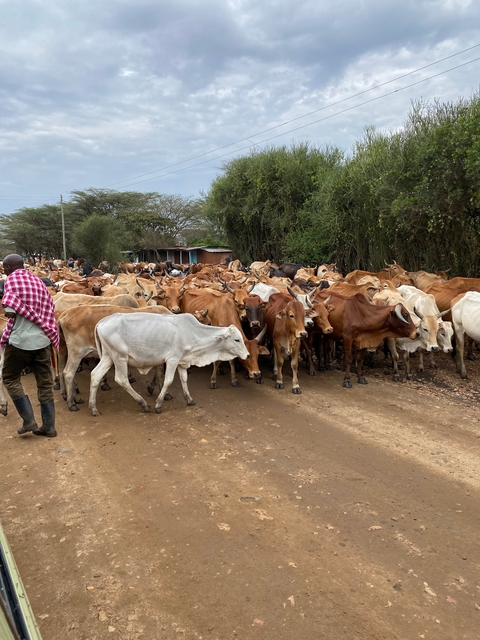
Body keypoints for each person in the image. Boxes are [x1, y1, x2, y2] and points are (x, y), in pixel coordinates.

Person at [1, 254, 59, 437]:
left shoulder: (12, 281)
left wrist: (20, 307)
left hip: (21, 342)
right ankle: (49, 427)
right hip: (43, 339)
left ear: (9, 268)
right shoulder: (39, 282)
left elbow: (9, 312)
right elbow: (50, 306)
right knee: (45, 383)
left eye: (4, 268)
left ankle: (28, 420)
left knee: (10, 377)